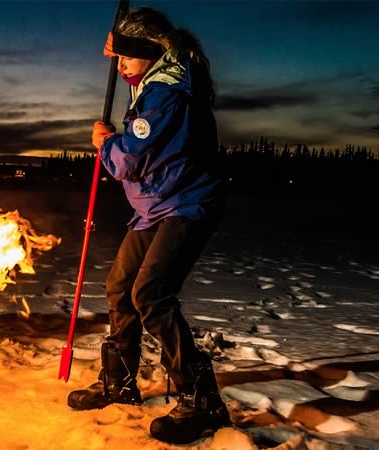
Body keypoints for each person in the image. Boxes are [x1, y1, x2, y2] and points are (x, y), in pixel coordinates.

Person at [67, 7, 231, 444]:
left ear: (150, 52)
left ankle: (203, 401)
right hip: (156, 204)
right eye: (116, 61)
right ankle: (119, 382)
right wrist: (122, 47)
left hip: (186, 203)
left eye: (125, 60)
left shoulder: (167, 95)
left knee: (151, 293)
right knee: (120, 286)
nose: (120, 69)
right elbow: (142, 65)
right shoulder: (160, 77)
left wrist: (104, 143)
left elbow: (128, 159)